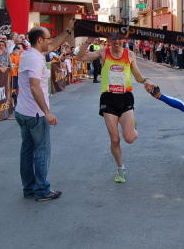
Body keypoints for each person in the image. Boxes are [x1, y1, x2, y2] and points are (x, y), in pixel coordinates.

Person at [76, 33, 154, 183]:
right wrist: (88, 41)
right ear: (109, 41)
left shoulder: (129, 54)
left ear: (123, 40)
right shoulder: (103, 52)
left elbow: (137, 76)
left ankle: (132, 127)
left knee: (130, 138)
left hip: (125, 98)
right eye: (113, 39)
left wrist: (146, 81)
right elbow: (80, 57)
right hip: (108, 99)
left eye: (119, 39)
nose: (117, 42)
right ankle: (120, 168)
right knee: (115, 139)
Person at [15, 21, 73, 201]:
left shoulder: (32, 53)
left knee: (27, 150)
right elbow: (34, 86)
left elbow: (55, 44)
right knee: (41, 151)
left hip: (23, 111)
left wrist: (69, 29)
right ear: (40, 40)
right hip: (35, 114)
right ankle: (41, 189)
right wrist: (47, 112)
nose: (51, 41)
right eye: (48, 38)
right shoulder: (34, 58)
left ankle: (29, 187)